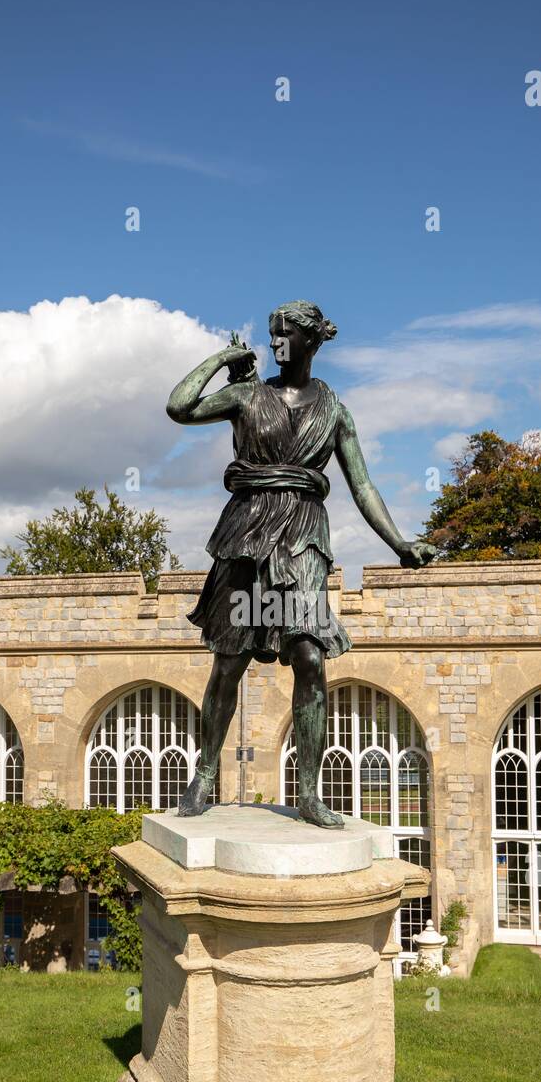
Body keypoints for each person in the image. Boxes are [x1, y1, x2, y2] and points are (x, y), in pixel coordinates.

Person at [166, 300, 435, 827]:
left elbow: (362, 485)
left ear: (312, 341)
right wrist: (224, 356)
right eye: (272, 336)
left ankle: (308, 792)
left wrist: (400, 544)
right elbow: (179, 406)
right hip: (247, 536)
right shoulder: (247, 394)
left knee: (310, 657)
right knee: (231, 660)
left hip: (303, 540)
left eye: (285, 335)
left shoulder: (335, 411)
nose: (276, 345)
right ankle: (204, 774)